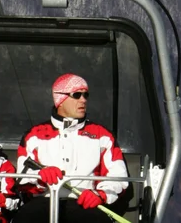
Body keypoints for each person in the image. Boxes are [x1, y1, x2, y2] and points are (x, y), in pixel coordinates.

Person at [12, 73, 129, 223]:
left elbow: (118, 176)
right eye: (77, 95)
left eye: (86, 95)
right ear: (59, 99)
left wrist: (99, 195)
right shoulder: (35, 135)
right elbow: (23, 179)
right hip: (44, 202)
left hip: (84, 203)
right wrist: (41, 176)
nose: (83, 100)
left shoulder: (101, 135)